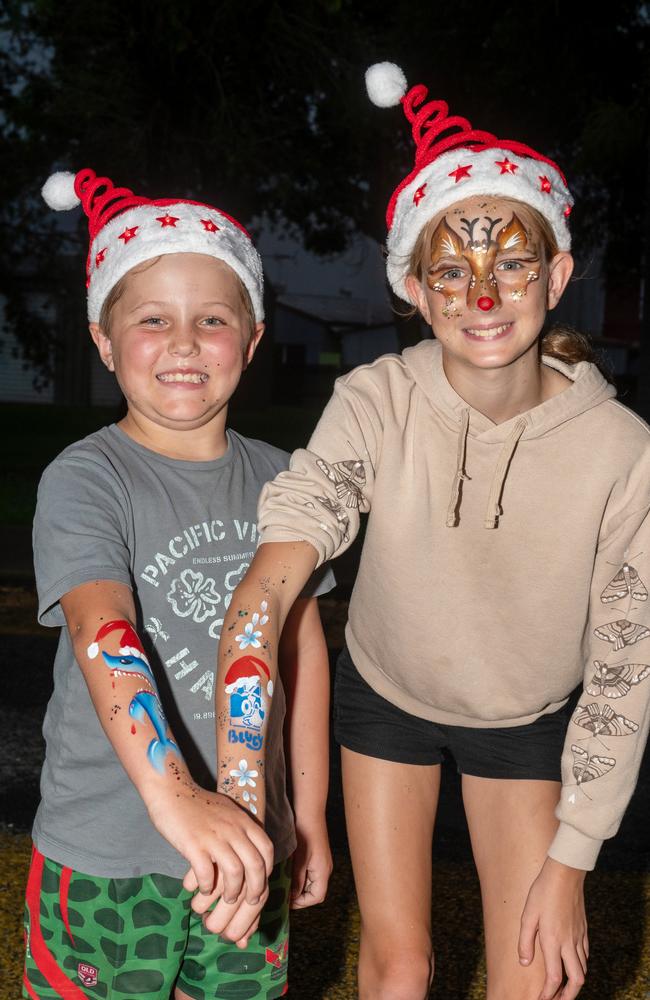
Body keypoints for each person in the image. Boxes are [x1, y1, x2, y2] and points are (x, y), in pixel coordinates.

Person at [214, 63, 650, 1000]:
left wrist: (573, 861)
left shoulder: (622, 450)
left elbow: (626, 658)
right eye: (452, 270)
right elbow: (296, 530)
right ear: (416, 288)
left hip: (525, 719)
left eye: (512, 266)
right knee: (399, 964)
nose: (482, 296)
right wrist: (245, 759)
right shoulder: (375, 398)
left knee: (537, 977)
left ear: (559, 273)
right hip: (389, 694)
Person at [23, 167, 333, 1000]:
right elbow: (102, 629)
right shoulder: (87, 478)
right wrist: (177, 798)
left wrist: (307, 817)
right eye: (153, 319)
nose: (186, 343)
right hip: (106, 851)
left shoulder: (287, 484)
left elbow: (300, 655)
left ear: (254, 338)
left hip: (247, 851)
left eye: (213, 320)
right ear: (103, 338)